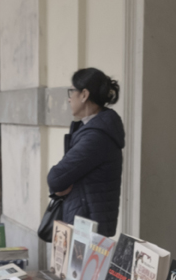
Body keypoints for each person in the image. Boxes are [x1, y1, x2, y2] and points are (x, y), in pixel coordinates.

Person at [47, 67, 125, 238]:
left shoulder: (96, 136)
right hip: (86, 221)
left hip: (88, 229)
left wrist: (63, 184)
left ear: (84, 95)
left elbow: (56, 178)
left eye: (71, 91)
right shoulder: (91, 128)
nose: (69, 99)